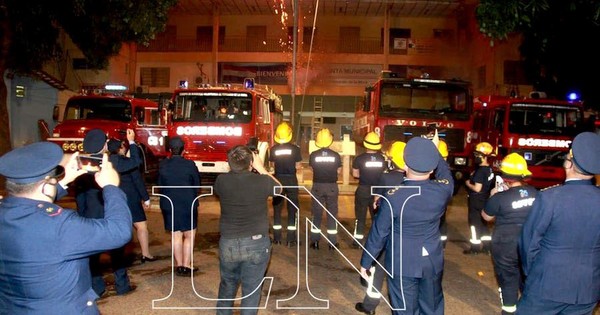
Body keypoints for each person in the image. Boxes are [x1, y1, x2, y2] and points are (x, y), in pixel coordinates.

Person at [0, 141, 132, 313]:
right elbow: (119, 232)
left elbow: (31, 206)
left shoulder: (6, 212)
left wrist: (63, 182)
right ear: (46, 186)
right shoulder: (61, 225)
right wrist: (111, 187)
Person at [360, 136, 453, 315]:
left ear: (405, 166)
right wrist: (434, 152)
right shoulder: (443, 190)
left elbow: (379, 233)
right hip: (432, 261)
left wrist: (366, 261)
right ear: (432, 168)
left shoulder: (393, 197)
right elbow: (445, 174)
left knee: (404, 309)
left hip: (402, 263)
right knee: (432, 306)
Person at [518, 132, 600, 314]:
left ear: (569, 163)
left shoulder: (549, 198)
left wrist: (532, 275)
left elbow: (528, 243)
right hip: (587, 289)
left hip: (546, 285)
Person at [214, 145, 281, 315]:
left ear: (229, 162)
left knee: (227, 286)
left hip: (228, 241)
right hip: (256, 243)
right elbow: (279, 189)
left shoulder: (221, 181)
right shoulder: (262, 181)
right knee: (251, 291)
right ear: (251, 162)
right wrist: (260, 167)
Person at [73, 128, 137, 297]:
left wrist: (82, 215)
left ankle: (97, 287)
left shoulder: (82, 164)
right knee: (117, 252)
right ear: (104, 144)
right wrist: (131, 142)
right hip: (109, 214)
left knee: (93, 256)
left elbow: (79, 195)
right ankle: (122, 285)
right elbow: (136, 161)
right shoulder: (113, 161)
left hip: (90, 217)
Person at [481, 153, 537, 315]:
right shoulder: (535, 193)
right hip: (530, 243)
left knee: (508, 279)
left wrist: (493, 195)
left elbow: (486, 216)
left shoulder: (500, 197)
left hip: (505, 245)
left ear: (504, 176)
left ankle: (509, 311)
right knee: (528, 277)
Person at [355, 140, 406, 315]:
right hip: (408, 234)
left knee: (378, 270)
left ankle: (369, 306)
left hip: (388, 230)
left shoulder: (386, 177)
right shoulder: (418, 181)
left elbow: (377, 199)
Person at [106, 136, 156, 264]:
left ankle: (118, 254)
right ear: (121, 148)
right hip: (131, 197)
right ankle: (146, 254)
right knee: (141, 227)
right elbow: (137, 181)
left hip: (114, 198)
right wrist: (146, 198)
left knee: (118, 226)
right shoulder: (128, 162)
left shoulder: (106, 163)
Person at [158, 136, 201, 276]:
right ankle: (187, 265)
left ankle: (179, 265)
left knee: (176, 235)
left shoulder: (163, 165)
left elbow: (160, 185)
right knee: (189, 235)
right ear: (183, 150)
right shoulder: (190, 165)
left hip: (169, 203)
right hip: (188, 202)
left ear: (170, 150)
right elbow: (197, 184)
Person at [269, 121, 302, 247]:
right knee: (292, 209)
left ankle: (277, 238)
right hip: (291, 180)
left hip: (278, 180)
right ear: (290, 135)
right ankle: (290, 239)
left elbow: (272, 165)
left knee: (277, 209)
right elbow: (298, 166)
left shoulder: (273, 149)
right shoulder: (295, 149)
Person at [308, 128, 342, 250]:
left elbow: (312, 169)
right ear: (330, 141)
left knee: (316, 214)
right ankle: (332, 243)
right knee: (332, 215)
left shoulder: (313, 155)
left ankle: (315, 242)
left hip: (317, 186)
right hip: (332, 186)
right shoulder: (336, 155)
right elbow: (338, 170)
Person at [352, 131, 386, 247]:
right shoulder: (382, 159)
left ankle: (357, 241)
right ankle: (375, 241)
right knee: (376, 217)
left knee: (360, 217)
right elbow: (385, 175)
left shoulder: (359, 158)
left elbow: (355, 175)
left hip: (363, 189)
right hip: (378, 191)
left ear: (365, 144)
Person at [464, 142, 495, 254]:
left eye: (478, 155)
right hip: (484, 199)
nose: (476, 157)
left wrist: (468, 183)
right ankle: (487, 247)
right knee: (483, 225)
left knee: (474, 225)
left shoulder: (481, 171)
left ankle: (474, 248)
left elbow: (477, 188)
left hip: (476, 200)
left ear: (485, 156)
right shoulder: (489, 169)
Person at [437, 139, 450, 248]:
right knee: (442, 220)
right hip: (442, 201)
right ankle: (442, 244)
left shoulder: (429, 168)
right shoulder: (446, 171)